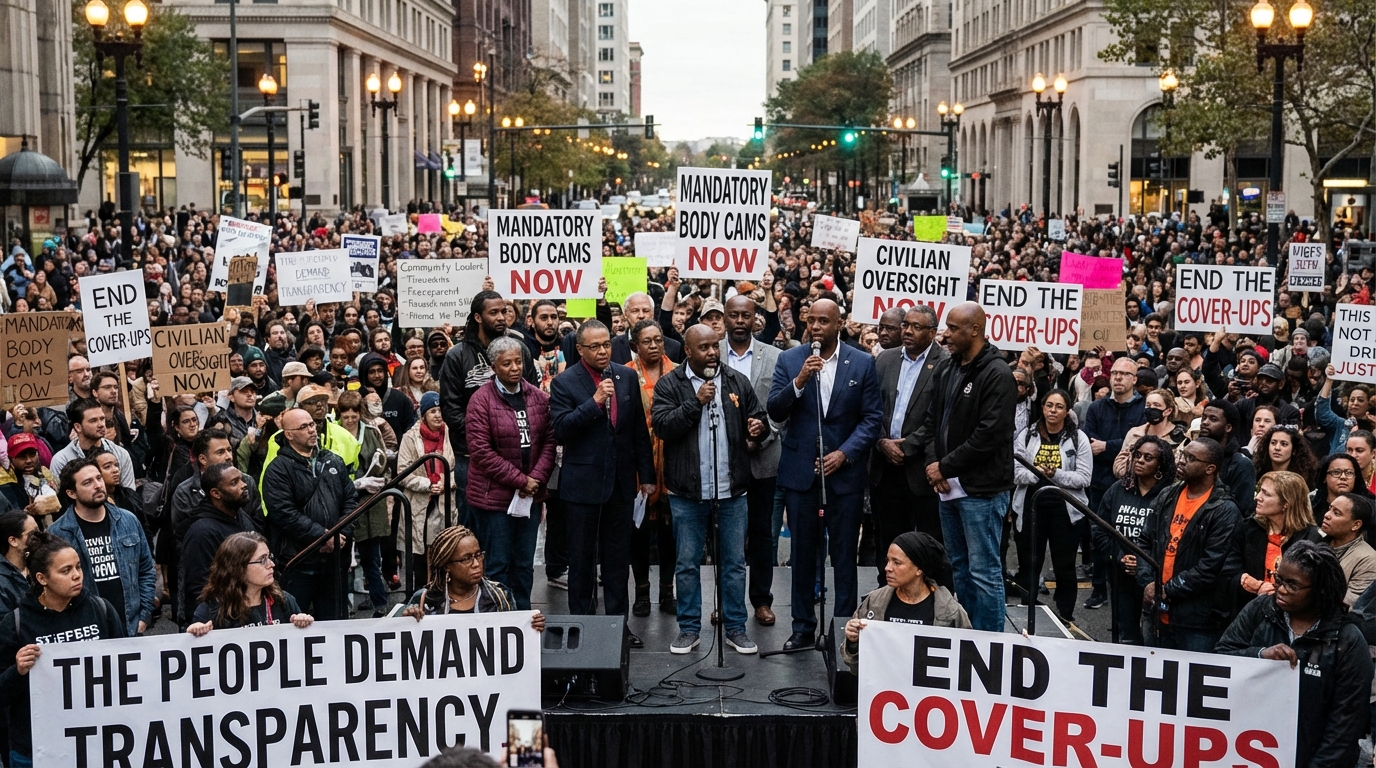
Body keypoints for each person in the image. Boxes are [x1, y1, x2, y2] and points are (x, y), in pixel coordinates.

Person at [767, 298, 883, 650]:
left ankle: (843, 629)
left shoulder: (862, 363)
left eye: (823, 321)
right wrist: (800, 380)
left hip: (844, 477)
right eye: (811, 320)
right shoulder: (790, 359)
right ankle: (803, 626)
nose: (815, 327)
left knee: (844, 556)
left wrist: (844, 454)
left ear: (839, 324)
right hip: (802, 474)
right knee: (802, 555)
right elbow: (775, 408)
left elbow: (871, 418)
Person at [651, 324, 769, 654]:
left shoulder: (735, 381)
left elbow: (758, 419)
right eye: (703, 347)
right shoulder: (670, 384)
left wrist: (757, 427)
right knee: (687, 564)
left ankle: (735, 627)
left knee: (732, 564)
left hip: (731, 492)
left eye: (715, 346)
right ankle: (689, 629)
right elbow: (663, 426)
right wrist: (695, 402)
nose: (712, 353)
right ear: (687, 351)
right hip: (687, 493)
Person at [1216, 541, 1373, 768]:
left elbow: (1344, 727)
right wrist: (1260, 656)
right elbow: (1221, 658)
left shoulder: (1347, 640)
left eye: (1293, 585)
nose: (1281, 589)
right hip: (1253, 751)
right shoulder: (1260, 610)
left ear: (1320, 589)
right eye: (1279, 579)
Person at [910, 302, 1016, 633]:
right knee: (959, 566)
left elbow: (989, 435)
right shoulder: (947, 368)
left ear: (975, 330)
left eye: (954, 329)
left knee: (984, 570)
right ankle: (967, 635)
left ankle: (990, 643)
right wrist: (932, 463)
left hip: (981, 489)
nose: (946, 335)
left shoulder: (997, 374)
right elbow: (931, 422)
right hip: (948, 485)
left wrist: (945, 466)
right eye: (947, 327)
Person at [549, 320, 656, 633]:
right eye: (594, 346)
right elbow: (561, 429)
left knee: (617, 562)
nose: (602, 351)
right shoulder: (565, 382)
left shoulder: (624, 376)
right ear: (580, 349)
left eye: (606, 344)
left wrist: (646, 475)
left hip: (621, 486)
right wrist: (594, 402)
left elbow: (637, 429)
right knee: (581, 563)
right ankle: (582, 627)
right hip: (582, 486)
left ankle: (617, 628)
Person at [0, 532, 127, 767]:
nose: (77, 575)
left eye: (78, 566)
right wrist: (17, 671)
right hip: (36, 748)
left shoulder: (101, 610)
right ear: (42, 578)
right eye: (65, 571)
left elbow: (128, 667)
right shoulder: (16, 624)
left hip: (95, 741)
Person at [465, 339, 556, 610]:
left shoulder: (538, 398)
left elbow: (549, 442)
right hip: (494, 498)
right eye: (507, 363)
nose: (515, 368)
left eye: (518, 362)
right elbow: (481, 452)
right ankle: (497, 620)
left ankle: (523, 618)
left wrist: (536, 479)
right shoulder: (480, 400)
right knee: (498, 563)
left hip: (529, 497)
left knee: (523, 563)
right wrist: (521, 480)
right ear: (494, 367)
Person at [439, 290, 538, 525]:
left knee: (514, 531)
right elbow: (451, 410)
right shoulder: (457, 356)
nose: (502, 317)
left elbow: (533, 398)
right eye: (493, 313)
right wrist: (486, 439)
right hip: (471, 457)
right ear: (478, 318)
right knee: (473, 528)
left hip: (516, 457)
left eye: (503, 311)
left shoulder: (519, 349)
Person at [1138, 437, 1241, 651]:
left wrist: (1167, 589)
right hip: (1155, 610)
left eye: (1191, 458)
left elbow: (1210, 567)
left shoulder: (1224, 510)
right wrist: (1148, 582)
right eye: (1183, 455)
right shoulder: (1167, 494)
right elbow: (1145, 541)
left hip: (1196, 620)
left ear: (1210, 468)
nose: (1181, 461)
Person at [869, 305, 947, 587]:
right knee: (888, 538)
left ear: (932, 332)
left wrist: (907, 446)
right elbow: (870, 408)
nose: (908, 331)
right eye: (905, 325)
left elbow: (938, 417)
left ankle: (929, 600)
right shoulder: (885, 360)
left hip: (923, 469)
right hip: (885, 466)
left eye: (916, 327)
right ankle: (886, 595)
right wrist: (881, 442)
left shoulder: (945, 363)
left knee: (928, 542)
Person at [721, 294, 784, 626]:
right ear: (726, 318)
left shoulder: (775, 356)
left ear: (756, 318)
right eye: (734, 315)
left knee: (761, 533)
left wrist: (764, 432)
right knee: (725, 535)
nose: (740, 321)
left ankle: (761, 600)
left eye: (746, 315)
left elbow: (783, 406)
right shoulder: (709, 352)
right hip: (720, 460)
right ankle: (725, 601)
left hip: (763, 459)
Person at [260, 407, 357, 620]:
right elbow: (283, 513)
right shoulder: (278, 469)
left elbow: (351, 500)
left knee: (335, 623)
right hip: (298, 559)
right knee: (294, 621)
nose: (312, 430)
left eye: (312, 424)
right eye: (303, 427)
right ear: (289, 434)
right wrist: (322, 536)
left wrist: (340, 533)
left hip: (334, 559)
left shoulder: (333, 460)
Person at [47, 458, 155, 636]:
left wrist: (144, 615)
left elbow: (145, 570)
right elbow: (54, 588)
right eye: (87, 482)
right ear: (72, 493)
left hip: (130, 625)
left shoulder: (128, 521)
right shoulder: (58, 533)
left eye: (98, 478)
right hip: (85, 629)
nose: (97, 485)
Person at [1012, 389, 1094, 622]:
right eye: (1049, 405)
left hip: (1066, 510)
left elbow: (1084, 478)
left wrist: (1055, 475)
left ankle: (1065, 615)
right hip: (1030, 507)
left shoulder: (1079, 438)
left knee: (1064, 565)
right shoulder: (1026, 435)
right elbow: (1015, 471)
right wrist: (1037, 475)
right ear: (1042, 407)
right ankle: (1027, 610)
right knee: (1029, 563)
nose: (1053, 411)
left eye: (1059, 407)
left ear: (1067, 411)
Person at [842, 532, 970, 673]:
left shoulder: (949, 610)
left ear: (919, 569)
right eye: (888, 561)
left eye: (897, 563)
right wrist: (852, 642)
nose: (887, 568)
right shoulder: (874, 602)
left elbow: (966, 664)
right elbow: (855, 667)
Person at [1082, 357, 1147, 609]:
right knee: (1099, 537)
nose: (1118, 377)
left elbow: (1141, 444)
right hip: (1100, 483)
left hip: (1133, 484)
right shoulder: (1097, 408)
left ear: (1134, 379)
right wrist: (1116, 446)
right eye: (1115, 373)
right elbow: (1089, 442)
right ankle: (1099, 589)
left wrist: (1108, 446)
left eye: (1124, 374)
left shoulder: (1143, 408)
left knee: (1132, 538)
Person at [1096, 435, 1174, 644]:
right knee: (1125, 636)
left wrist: (1143, 564)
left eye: (1148, 458)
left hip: (1155, 576)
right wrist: (1119, 556)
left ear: (1161, 464)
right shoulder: (1118, 489)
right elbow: (1100, 528)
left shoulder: (1170, 496)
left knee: (1153, 637)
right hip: (1121, 573)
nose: (1140, 460)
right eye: (1137, 455)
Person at [400, 525, 546, 633]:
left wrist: (530, 627)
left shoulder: (499, 596)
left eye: (478, 555)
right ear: (446, 566)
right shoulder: (424, 600)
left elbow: (513, 642)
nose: (476, 564)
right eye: (466, 559)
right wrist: (407, 621)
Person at [626, 319, 678, 618]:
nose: (655, 345)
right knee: (640, 533)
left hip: (673, 463)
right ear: (635, 345)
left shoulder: (679, 372)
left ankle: (667, 592)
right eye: (647, 341)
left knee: (671, 534)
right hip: (639, 466)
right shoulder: (625, 374)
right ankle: (642, 592)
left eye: (658, 339)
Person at [179, 462, 262, 627]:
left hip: (244, 610)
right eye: (234, 483)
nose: (244, 485)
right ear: (216, 493)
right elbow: (198, 586)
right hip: (220, 620)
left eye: (241, 479)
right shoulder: (201, 532)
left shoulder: (240, 516)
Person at [186, 531, 314, 633]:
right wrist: (196, 633)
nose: (272, 564)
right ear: (238, 568)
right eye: (262, 560)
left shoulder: (284, 601)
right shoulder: (212, 609)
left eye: (269, 557)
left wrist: (304, 625)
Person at [335, 390, 391, 617]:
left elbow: (384, 461)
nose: (349, 421)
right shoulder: (333, 432)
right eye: (345, 417)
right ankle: (344, 605)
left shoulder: (370, 432)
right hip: (344, 501)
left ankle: (379, 603)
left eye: (353, 416)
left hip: (370, 503)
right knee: (344, 558)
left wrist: (378, 479)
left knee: (371, 557)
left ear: (359, 413)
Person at [1234, 471, 1322, 613]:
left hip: (1290, 613)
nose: (1257, 498)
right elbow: (1229, 566)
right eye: (1259, 491)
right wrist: (1255, 585)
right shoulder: (1248, 527)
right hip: (1246, 609)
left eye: (1266, 494)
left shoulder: (1312, 538)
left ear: (1286, 504)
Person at [48, 398, 135, 492]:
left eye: (102, 419)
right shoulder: (61, 460)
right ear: (78, 427)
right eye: (93, 421)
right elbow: (61, 499)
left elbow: (130, 495)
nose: (101, 424)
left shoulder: (120, 453)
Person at [1198, 398, 1257, 514]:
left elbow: (1241, 511)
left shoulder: (1241, 464)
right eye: (1204, 417)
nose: (1205, 422)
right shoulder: (1192, 455)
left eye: (1213, 419)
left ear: (1228, 427)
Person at [1111, 389, 1186, 479]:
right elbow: (1119, 468)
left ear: (1168, 411)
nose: (1151, 408)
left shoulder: (1180, 436)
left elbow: (1179, 471)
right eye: (1148, 405)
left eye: (1156, 405)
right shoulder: (1134, 433)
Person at [1320, 493, 1376, 605]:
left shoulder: (1368, 559)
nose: (1327, 515)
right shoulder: (1315, 540)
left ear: (1355, 525)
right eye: (1329, 509)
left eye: (1336, 513)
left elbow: (1349, 606)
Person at [0, 433, 59, 527]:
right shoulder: (6, 483)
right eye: (22, 457)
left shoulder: (45, 473)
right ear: (11, 459)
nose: (29, 460)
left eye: (32, 454)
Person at [1311, 452, 1375, 526]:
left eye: (1349, 473)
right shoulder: (1310, 506)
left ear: (1355, 477)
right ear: (1325, 477)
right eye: (1336, 472)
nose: (1343, 477)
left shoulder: (1370, 509)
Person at [1252, 424, 1317, 482]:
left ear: (1294, 450)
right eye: (1273, 443)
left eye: (1284, 444)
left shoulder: (1305, 477)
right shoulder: (1257, 472)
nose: (1277, 448)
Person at [0, 512, 36, 614]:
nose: (39, 537)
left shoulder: (40, 564)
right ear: (13, 541)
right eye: (32, 534)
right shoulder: (2, 581)